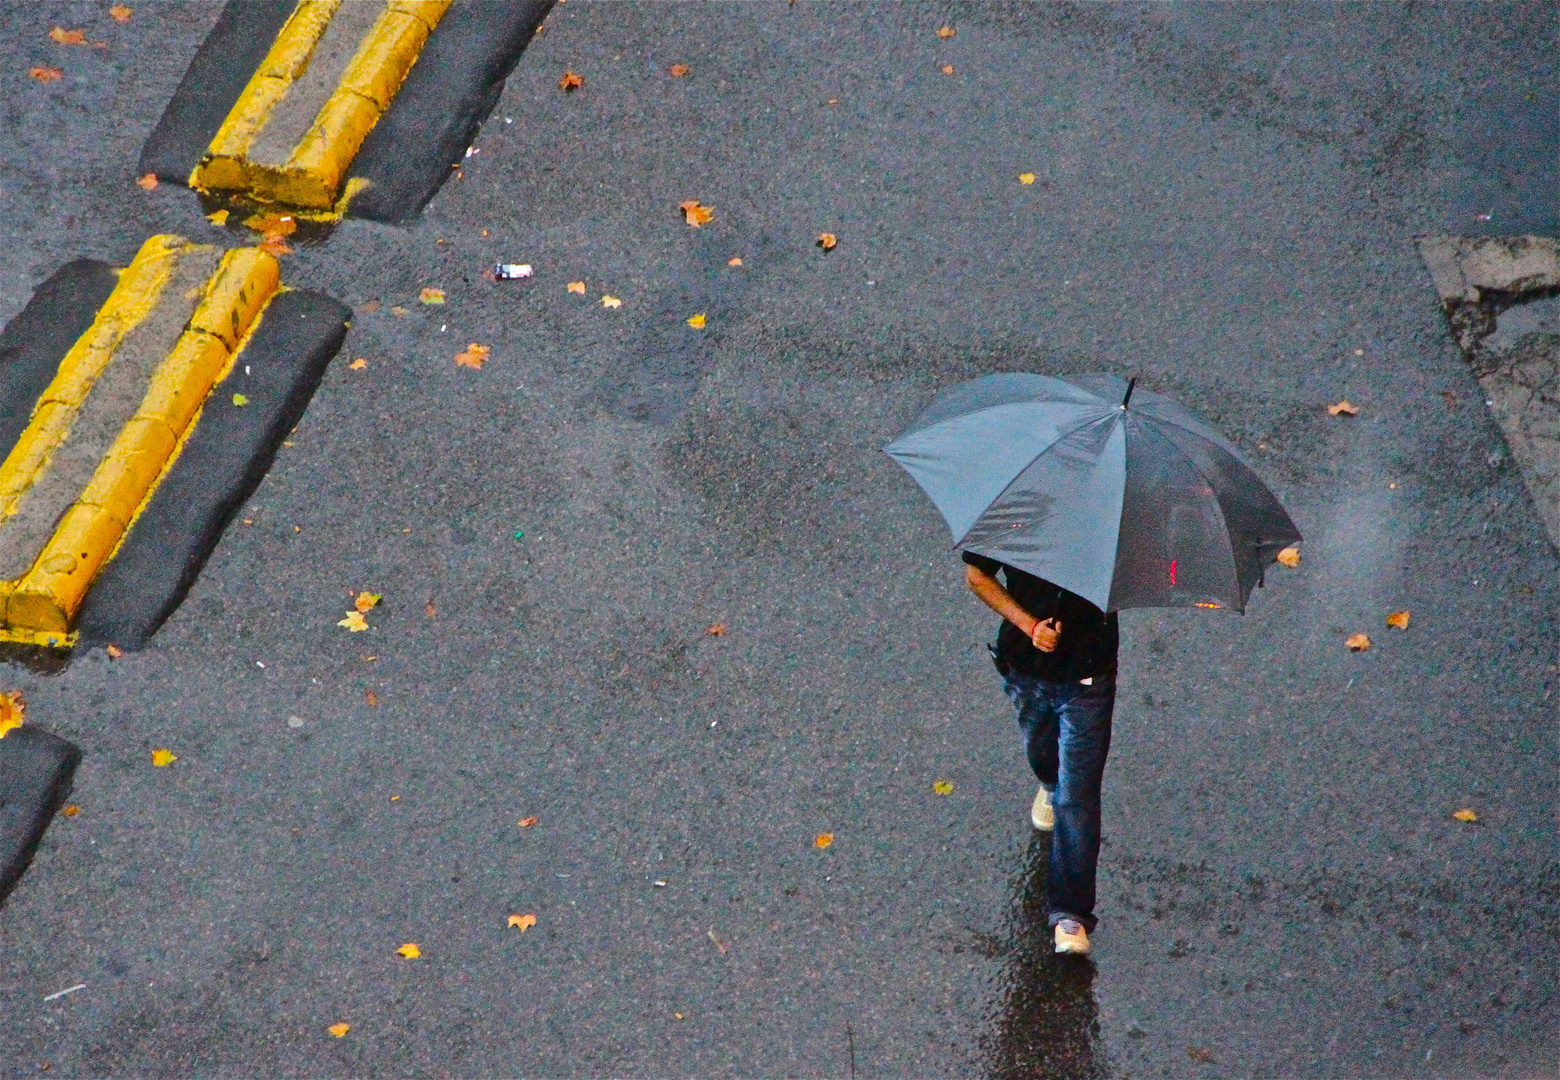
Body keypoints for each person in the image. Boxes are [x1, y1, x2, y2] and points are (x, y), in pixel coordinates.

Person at [963, 550, 1119, 956]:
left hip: (1088, 678)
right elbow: (977, 575)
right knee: (1043, 756)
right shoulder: (1020, 507)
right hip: (1025, 669)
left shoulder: (1115, 526)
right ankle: (1048, 782)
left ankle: (1070, 915)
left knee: (1077, 798)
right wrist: (1029, 625)